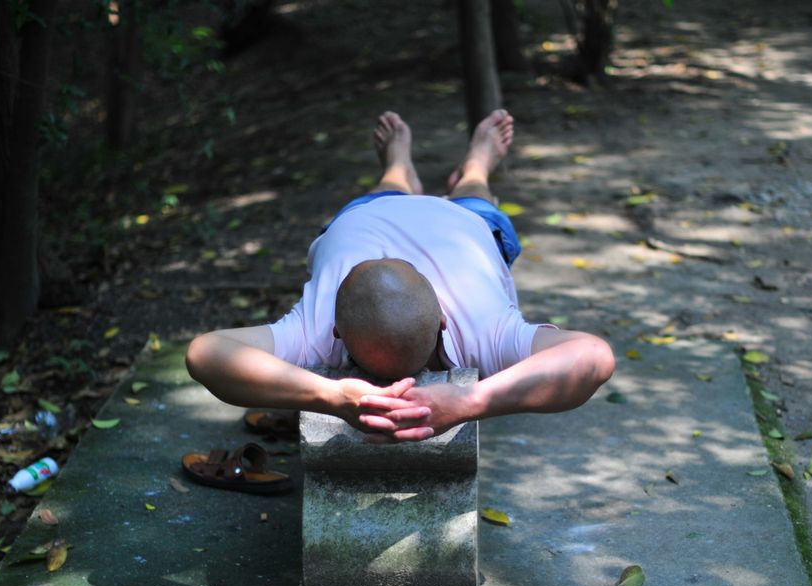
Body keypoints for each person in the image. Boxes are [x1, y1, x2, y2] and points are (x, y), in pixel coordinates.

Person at [185, 109, 615, 445]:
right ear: (442, 320)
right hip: (376, 220)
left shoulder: (478, 323)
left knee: (466, 199)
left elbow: (595, 359)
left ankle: (459, 168)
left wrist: (471, 400)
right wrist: (332, 397)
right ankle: (422, 170)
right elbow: (205, 354)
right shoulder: (483, 331)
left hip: (444, 223)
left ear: (336, 329)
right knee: (449, 199)